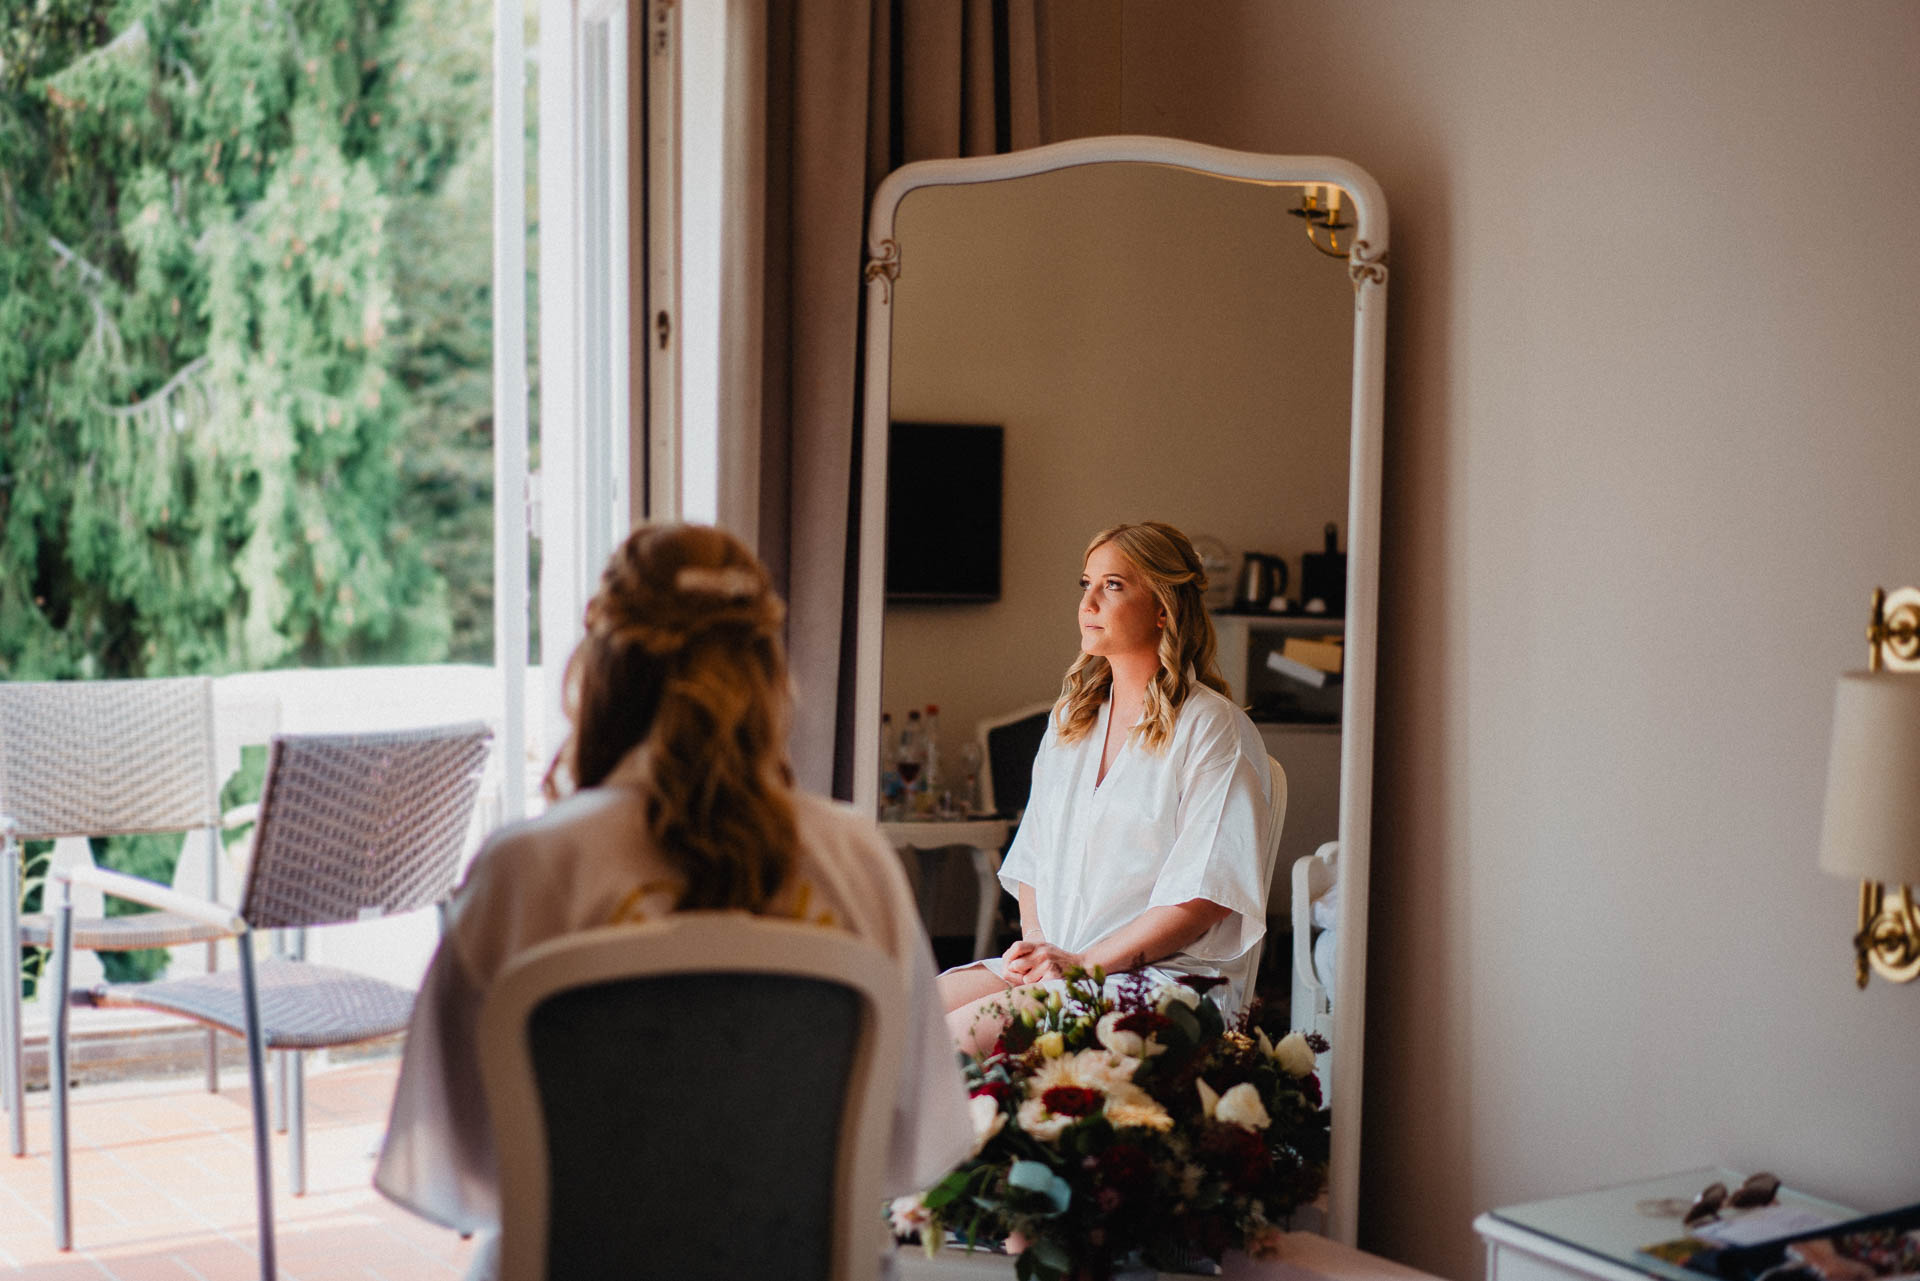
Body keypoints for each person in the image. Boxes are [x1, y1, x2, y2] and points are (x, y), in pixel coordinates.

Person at [375, 522, 975, 1277]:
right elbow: (909, 1143)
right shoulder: (858, 861)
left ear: (602, 669)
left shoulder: (525, 871)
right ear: (767, 668)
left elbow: (464, 1162)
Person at [937, 521, 1275, 1051]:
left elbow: (1204, 897)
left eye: (1112, 585)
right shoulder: (1073, 718)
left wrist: (1082, 967)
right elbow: (1034, 861)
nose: (1088, 601)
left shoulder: (1212, 727)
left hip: (1158, 980)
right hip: (1064, 962)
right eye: (1085, 584)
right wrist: (1041, 950)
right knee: (902, 1015)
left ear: (1164, 608)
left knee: (949, 1043)